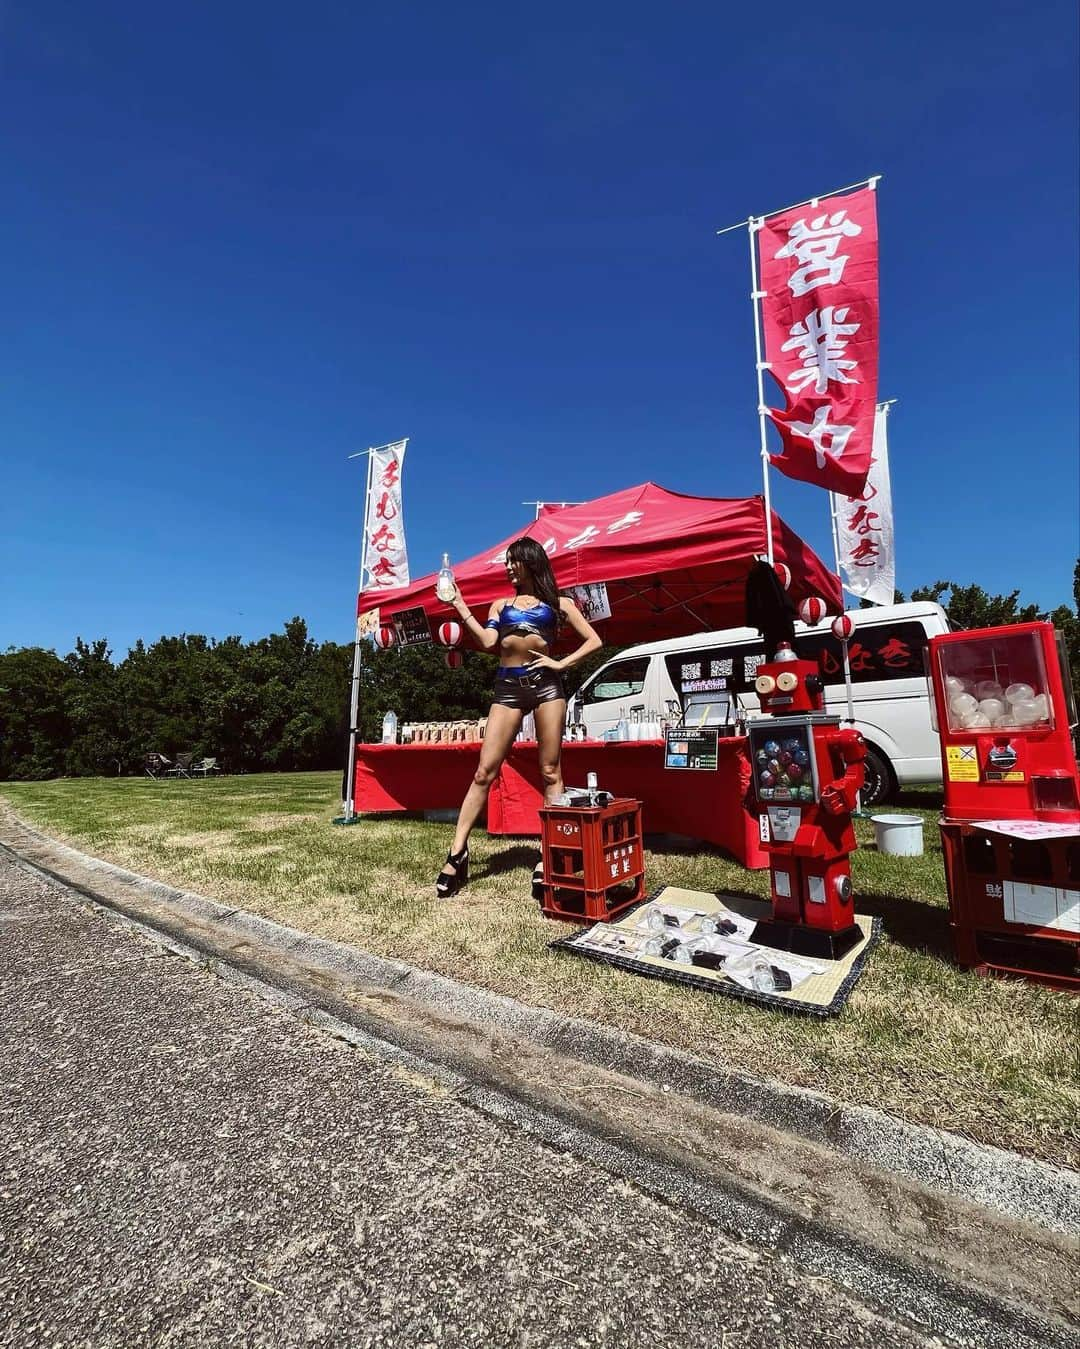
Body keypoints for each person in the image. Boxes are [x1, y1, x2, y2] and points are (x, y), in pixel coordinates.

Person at [435, 537, 602, 898]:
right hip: (508, 687)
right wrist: (459, 604)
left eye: (514, 561)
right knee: (484, 771)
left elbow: (594, 641)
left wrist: (561, 662)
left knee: (550, 771)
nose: (509, 567)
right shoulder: (501, 604)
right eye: (507, 562)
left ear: (530, 562)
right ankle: (457, 853)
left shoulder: (558, 604)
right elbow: (486, 641)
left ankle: (549, 854)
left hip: (547, 686)